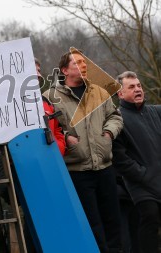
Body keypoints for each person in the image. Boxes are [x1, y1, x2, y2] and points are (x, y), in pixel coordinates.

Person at [44, 49, 123, 252]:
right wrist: (66, 137)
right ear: (64, 70)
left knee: (113, 221)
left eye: (85, 62)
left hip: (105, 167)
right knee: (91, 224)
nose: (84, 65)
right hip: (77, 172)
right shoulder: (50, 97)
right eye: (78, 63)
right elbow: (48, 129)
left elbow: (115, 117)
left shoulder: (99, 92)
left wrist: (108, 134)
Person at [112, 71, 161, 253]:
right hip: (140, 185)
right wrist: (143, 174)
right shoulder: (116, 119)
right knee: (150, 219)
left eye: (139, 86)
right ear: (120, 93)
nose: (138, 89)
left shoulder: (157, 111)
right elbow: (119, 158)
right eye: (131, 87)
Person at [35, 59, 66, 155]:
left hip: (52, 160)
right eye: (33, 70)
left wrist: (59, 147)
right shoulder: (12, 107)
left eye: (39, 71)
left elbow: (57, 129)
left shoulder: (45, 101)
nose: (38, 75)